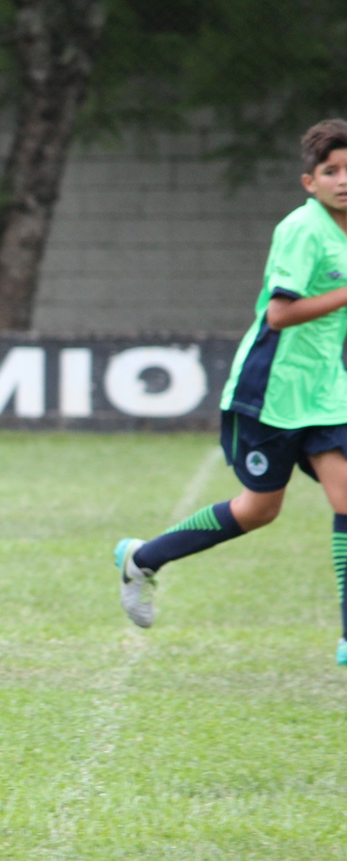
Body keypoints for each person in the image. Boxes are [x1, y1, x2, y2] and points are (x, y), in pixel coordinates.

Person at [116, 118, 347, 664]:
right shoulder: (302, 230)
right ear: (309, 183)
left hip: (325, 392)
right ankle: (143, 557)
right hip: (271, 390)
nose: (343, 180)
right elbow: (280, 312)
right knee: (258, 510)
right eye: (330, 171)